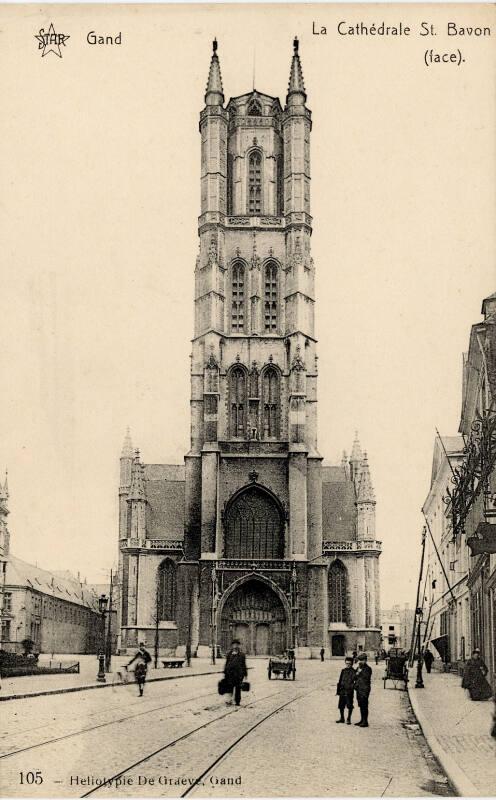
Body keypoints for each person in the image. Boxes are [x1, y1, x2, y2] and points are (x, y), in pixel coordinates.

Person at [224, 639, 247, 707]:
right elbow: (227, 663)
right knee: (229, 688)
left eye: (237, 644)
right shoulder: (229, 654)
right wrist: (225, 672)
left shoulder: (242, 655)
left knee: (238, 689)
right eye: (234, 644)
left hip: (238, 675)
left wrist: (245, 674)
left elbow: (244, 665)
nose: (235, 646)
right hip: (230, 674)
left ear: (239, 646)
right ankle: (229, 700)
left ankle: (237, 701)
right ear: (232, 646)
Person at [336, 656, 355, 724]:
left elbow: (355, 681)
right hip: (342, 690)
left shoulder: (353, 671)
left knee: (349, 705)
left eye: (349, 664)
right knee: (341, 705)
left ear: (352, 664)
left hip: (349, 691)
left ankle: (348, 719)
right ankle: (342, 718)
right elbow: (340, 680)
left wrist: (351, 687)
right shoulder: (343, 670)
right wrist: (338, 690)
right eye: (346, 663)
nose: (348, 665)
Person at [354, 652, 372, 727]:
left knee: (364, 705)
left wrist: (360, 673)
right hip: (358, 689)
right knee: (360, 704)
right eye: (359, 660)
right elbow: (355, 677)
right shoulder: (358, 668)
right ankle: (362, 720)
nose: (360, 662)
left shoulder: (368, 669)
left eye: (362, 660)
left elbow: (366, 678)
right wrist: (356, 674)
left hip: (364, 689)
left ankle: (365, 721)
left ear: (365, 660)